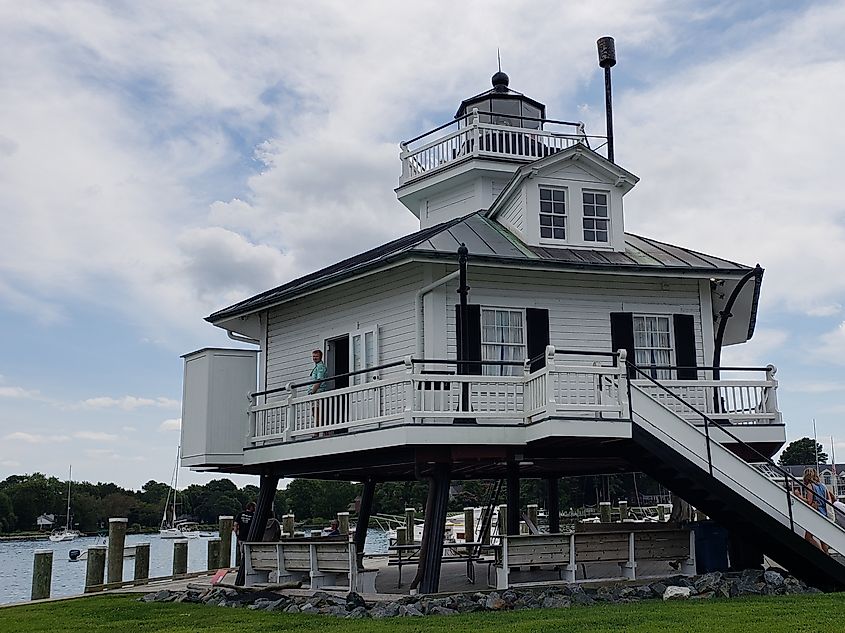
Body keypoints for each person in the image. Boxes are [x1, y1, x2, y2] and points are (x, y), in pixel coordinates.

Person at [802, 468, 830, 554]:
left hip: (815, 513)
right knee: (822, 537)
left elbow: (809, 501)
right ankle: (827, 554)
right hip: (824, 512)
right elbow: (828, 499)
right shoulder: (823, 486)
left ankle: (822, 554)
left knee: (808, 537)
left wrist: (798, 496)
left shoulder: (810, 486)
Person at [310, 349, 329, 425]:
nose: (315, 358)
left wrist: (312, 392)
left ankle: (317, 432)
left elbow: (319, 380)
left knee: (317, 412)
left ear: (321, 357)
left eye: (316, 356)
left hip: (318, 393)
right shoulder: (317, 367)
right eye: (313, 356)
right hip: (316, 393)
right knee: (316, 412)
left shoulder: (320, 367)